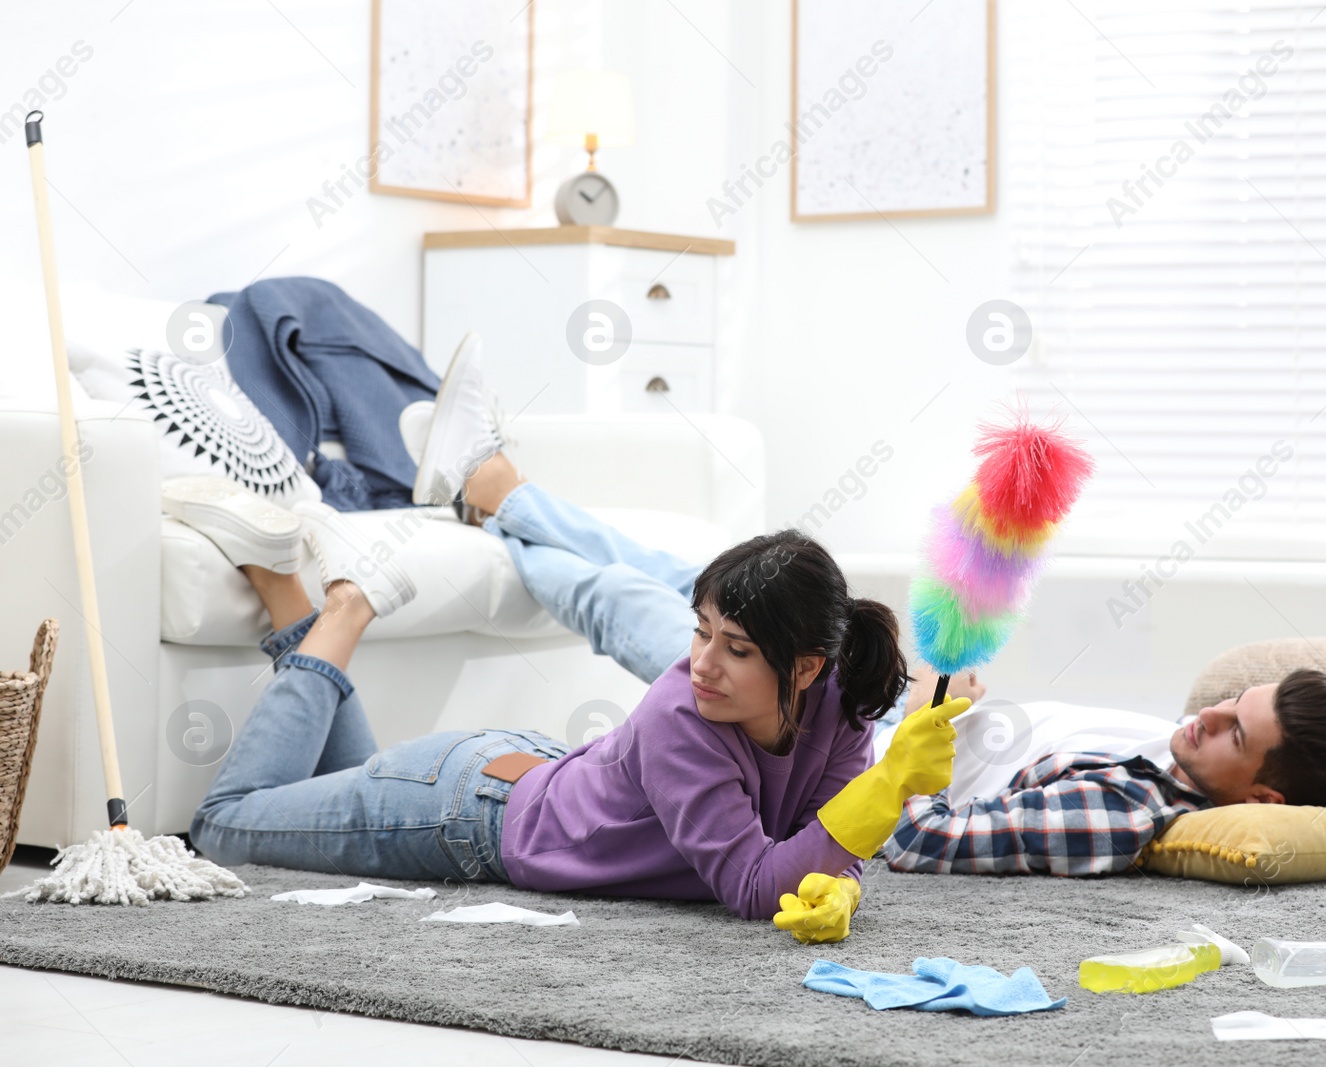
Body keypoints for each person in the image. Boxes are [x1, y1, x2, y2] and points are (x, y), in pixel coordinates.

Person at [172, 335, 973, 944]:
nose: (700, 663)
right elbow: (758, 884)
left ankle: (280, 588)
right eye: (701, 633)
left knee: (334, 787)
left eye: (736, 649)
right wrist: (885, 793)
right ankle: (347, 605)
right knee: (227, 825)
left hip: (523, 775)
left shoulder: (843, 703)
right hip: (460, 815)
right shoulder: (680, 716)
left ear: (806, 667)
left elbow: (822, 843)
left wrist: (845, 882)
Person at [876, 665, 1326, 877]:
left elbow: (916, 841)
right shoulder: (1200, 760)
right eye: (1235, 699)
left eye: (1235, 730)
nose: (1208, 712)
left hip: (861, 762)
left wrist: (920, 715)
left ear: (1262, 800)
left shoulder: (1126, 808)